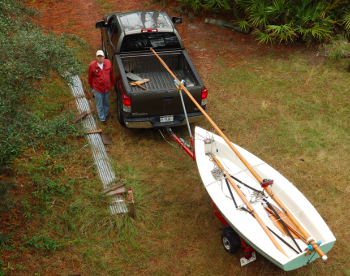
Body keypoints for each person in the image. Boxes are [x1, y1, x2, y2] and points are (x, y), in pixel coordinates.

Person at [88, 50, 115, 123]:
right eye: (98, 56)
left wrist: (112, 84)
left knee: (106, 102)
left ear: (104, 56)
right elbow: (90, 77)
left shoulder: (108, 63)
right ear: (96, 57)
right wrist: (92, 87)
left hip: (107, 88)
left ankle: (106, 114)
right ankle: (102, 118)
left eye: (101, 56)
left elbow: (112, 74)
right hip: (97, 88)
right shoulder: (92, 65)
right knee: (99, 104)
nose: (100, 58)